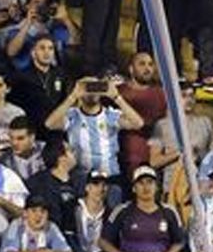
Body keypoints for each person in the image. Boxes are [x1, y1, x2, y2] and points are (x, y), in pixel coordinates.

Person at [44, 77, 146, 205]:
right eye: (87, 87)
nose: (91, 91)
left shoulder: (110, 114)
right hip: (82, 178)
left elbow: (138, 123)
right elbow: (49, 124)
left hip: (110, 177)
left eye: (95, 86)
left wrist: (116, 97)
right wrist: (72, 97)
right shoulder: (72, 115)